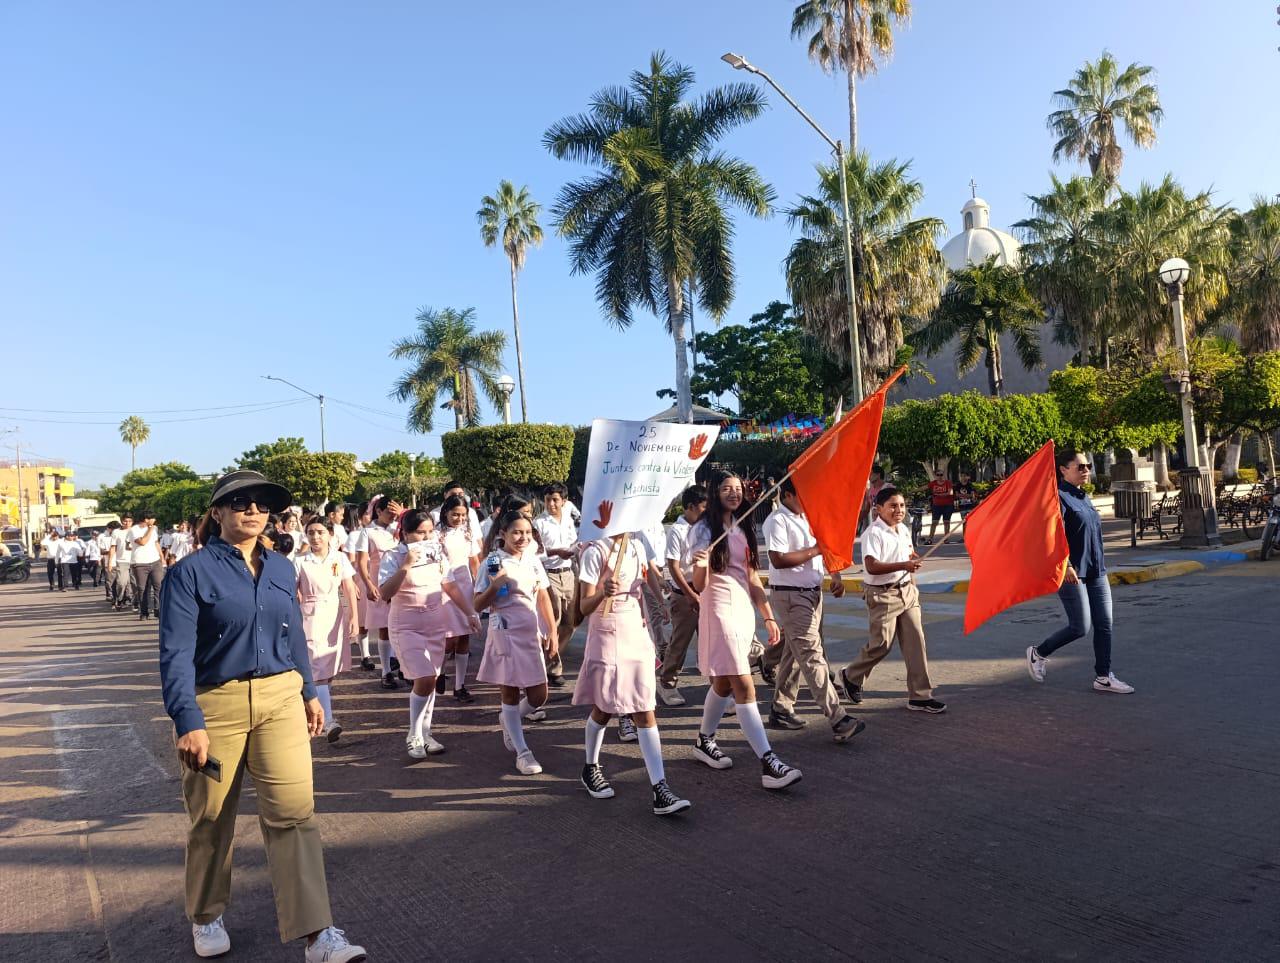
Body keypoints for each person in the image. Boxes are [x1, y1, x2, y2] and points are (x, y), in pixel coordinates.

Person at [158, 470, 366, 962]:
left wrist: (310, 692)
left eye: (262, 504)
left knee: (294, 815)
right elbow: (175, 653)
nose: (253, 510)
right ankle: (206, 913)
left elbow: (293, 635)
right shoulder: (189, 573)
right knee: (212, 817)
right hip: (216, 706)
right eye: (240, 502)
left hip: (280, 700)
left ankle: (317, 934)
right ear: (217, 512)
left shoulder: (280, 568)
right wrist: (187, 720)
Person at [686, 471, 802, 791]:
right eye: (727, 488)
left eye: (738, 488)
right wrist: (701, 563)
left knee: (723, 683)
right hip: (718, 611)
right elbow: (699, 585)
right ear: (714, 492)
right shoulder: (702, 530)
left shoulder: (743, 526)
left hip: (741, 611)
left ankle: (704, 740)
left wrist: (768, 617)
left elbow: (751, 579)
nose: (734, 493)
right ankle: (769, 763)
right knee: (743, 684)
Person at [573, 532, 691, 816]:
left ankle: (660, 788)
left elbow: (647, 577)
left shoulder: (637, 545)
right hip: (606, 634)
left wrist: (660, 600)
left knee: (644, 707)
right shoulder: (595, 551)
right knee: (603, 708)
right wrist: (603, 591)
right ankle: (590, 767)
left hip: (636, 633)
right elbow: (584, 606)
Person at [763, 479, 865, 742]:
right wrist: (815, 549)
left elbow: (826, 549)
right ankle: (837, 717)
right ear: (787, 495)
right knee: (811, 654)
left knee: (794, 653)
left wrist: (836, 576)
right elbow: (778, 559)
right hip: (791, 595)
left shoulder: (809, 518)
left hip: (812, 593)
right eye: (804, 495)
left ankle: (781, 708)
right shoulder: (777, 521)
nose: (810, 500)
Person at [1026, 451, 1135, 694]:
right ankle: (1039, 652)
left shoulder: (1083, 496)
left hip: (1096, 570)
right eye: (1080, 466)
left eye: (1088, 466)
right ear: (1063, 470)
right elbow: (1052, 537)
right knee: (1080, 627)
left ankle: (1103, 677)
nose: (1086, 470)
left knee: (1104, 624)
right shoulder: (1058, 498)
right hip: (1071, 572)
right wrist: (1066, 565)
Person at [380, 509, 480, 758]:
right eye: (419, 533)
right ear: (405, 533)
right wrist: (406, 565)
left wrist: (470, 612)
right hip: (406, 625)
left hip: (435, 623)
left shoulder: (437, 553)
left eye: (429, 532)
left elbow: (450, 585)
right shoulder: (393, 556)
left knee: (432, 678)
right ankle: (413, 735)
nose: (426, 537)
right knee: (424, 677)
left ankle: (426, 733)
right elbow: (385, 593)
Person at [841, 487, 946, 713]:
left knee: (916, 642)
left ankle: (920, 696)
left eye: (902, 505)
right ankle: (851, 675)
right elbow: (871, 566)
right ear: (878, 509)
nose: (899, 510)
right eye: (893, 506)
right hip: (883, 594)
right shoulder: (873, 533)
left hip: (907, 591)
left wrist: (911, 576)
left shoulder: (903, 530)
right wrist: (903, 565)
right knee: (881, 645)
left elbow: (908, 556)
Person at [473, 510, 558, 776]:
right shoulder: (493, 561)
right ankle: (523, 753)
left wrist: (552, 630)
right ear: (503, 533)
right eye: (517, 532)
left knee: (539, 695)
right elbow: (478, 604)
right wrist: (495, 585)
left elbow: (542, 596)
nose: (523, 537)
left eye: (527, 532)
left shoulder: (532, 560)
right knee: (509, 693)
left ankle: (509, 719)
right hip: (505, 631)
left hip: (530, 632)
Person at [295, 518, 360, 743]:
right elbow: (293, 591)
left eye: (320, 532)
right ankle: (329, 721)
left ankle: (312, 707)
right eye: (311, 532)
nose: (315, 537)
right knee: (318, 669)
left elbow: (348, 587)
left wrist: (354, 617)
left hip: (334, 614)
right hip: (310, 616)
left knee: (330, 668)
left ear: (330, 534)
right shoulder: (300, 560)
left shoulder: (339, 558)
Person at [656, 486, 707, 707]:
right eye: (703, 507)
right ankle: (667, 683)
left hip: (705, 590)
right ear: (690, 507)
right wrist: (690, 594)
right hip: (684, 593)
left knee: (710, 641)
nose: (706, 511)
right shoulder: (677, 530)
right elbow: (673, 566)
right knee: (680, 642)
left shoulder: (706, 527)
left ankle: (720, 689)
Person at [354, 496, 404, 690]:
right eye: (389, 513)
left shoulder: (399, 528)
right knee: (384, 628)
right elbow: (361, 562)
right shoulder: (367, 532)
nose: (392, 516)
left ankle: (403, 666)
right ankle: (386, 672)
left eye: (395, 513)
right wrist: (368, 585)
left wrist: (401, 517)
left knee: (401, 626)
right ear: (378, 511)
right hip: (379, 582)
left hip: (401, 582)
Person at [437, 493, 482, 703]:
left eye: (463, 515)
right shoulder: (436, 535)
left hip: (465, 585)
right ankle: (439, 671)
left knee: (464, 636)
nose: (460, 519)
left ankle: (460, 685)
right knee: (449, 638)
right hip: (445, 587)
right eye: (455, 514)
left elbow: (474, 561)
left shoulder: (467, 533)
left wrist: (479, 585)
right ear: (446, 512)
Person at [534, 482, 578, 688]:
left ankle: (550, 657)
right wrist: (556, 552)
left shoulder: (568, 520)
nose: (551, 504)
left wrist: (574, 551)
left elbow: (575, 542)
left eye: (555, 500)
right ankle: (553, 668)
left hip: (568, 573)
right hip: (549, 574)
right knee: (553, 620)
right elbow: (536, 553)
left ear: (564, 501)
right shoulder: (539, 523)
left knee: (570, 622)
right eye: (548, 500)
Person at [341, 505, 374, 670]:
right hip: (361, 578)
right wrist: (353, 583)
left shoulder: (385, 533)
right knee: (363, 620)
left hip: (379, 577)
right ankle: (365, 655)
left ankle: (391, 657)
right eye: (367, 514)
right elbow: (351, 561)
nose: (370, 516)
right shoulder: (355, 535)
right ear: (360, 517)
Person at [130, 509, 166, 619]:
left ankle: (158, 609)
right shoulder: (134, 530)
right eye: (152, 519)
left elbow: (156, 543)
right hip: (140, 563)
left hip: (155, 561)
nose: (154, 521)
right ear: (146, 519)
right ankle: (144, 612)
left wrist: (162, 557)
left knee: (158, 586)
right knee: (143, 588)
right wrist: (150, 528)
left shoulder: (154, 529)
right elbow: (142, 542)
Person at [107, 516, 134, 610]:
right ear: (122, 521)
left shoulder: (135, 531)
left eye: (130, 521)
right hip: (122, 561)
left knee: (134, 583)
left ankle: (134, 601)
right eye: (125, 521)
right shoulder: (116, 532)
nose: (127, 523)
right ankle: (119, 599)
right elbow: (113, 547)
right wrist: (110, 562)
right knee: (121, 583)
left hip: (135, 560)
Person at [923, 470, 954, 545]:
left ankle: (946, 539)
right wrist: (913, 490)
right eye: (938, 475)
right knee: (934, 522)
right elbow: (924, 487)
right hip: (936, 506)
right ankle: (930, 539)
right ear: (935, 476)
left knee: (946, 522)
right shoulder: (933, 483)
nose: (940, 476)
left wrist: (940, 495)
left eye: (941, 475)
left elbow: (951, 492)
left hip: (948, 505)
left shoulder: (948, 483)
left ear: (943, 475)